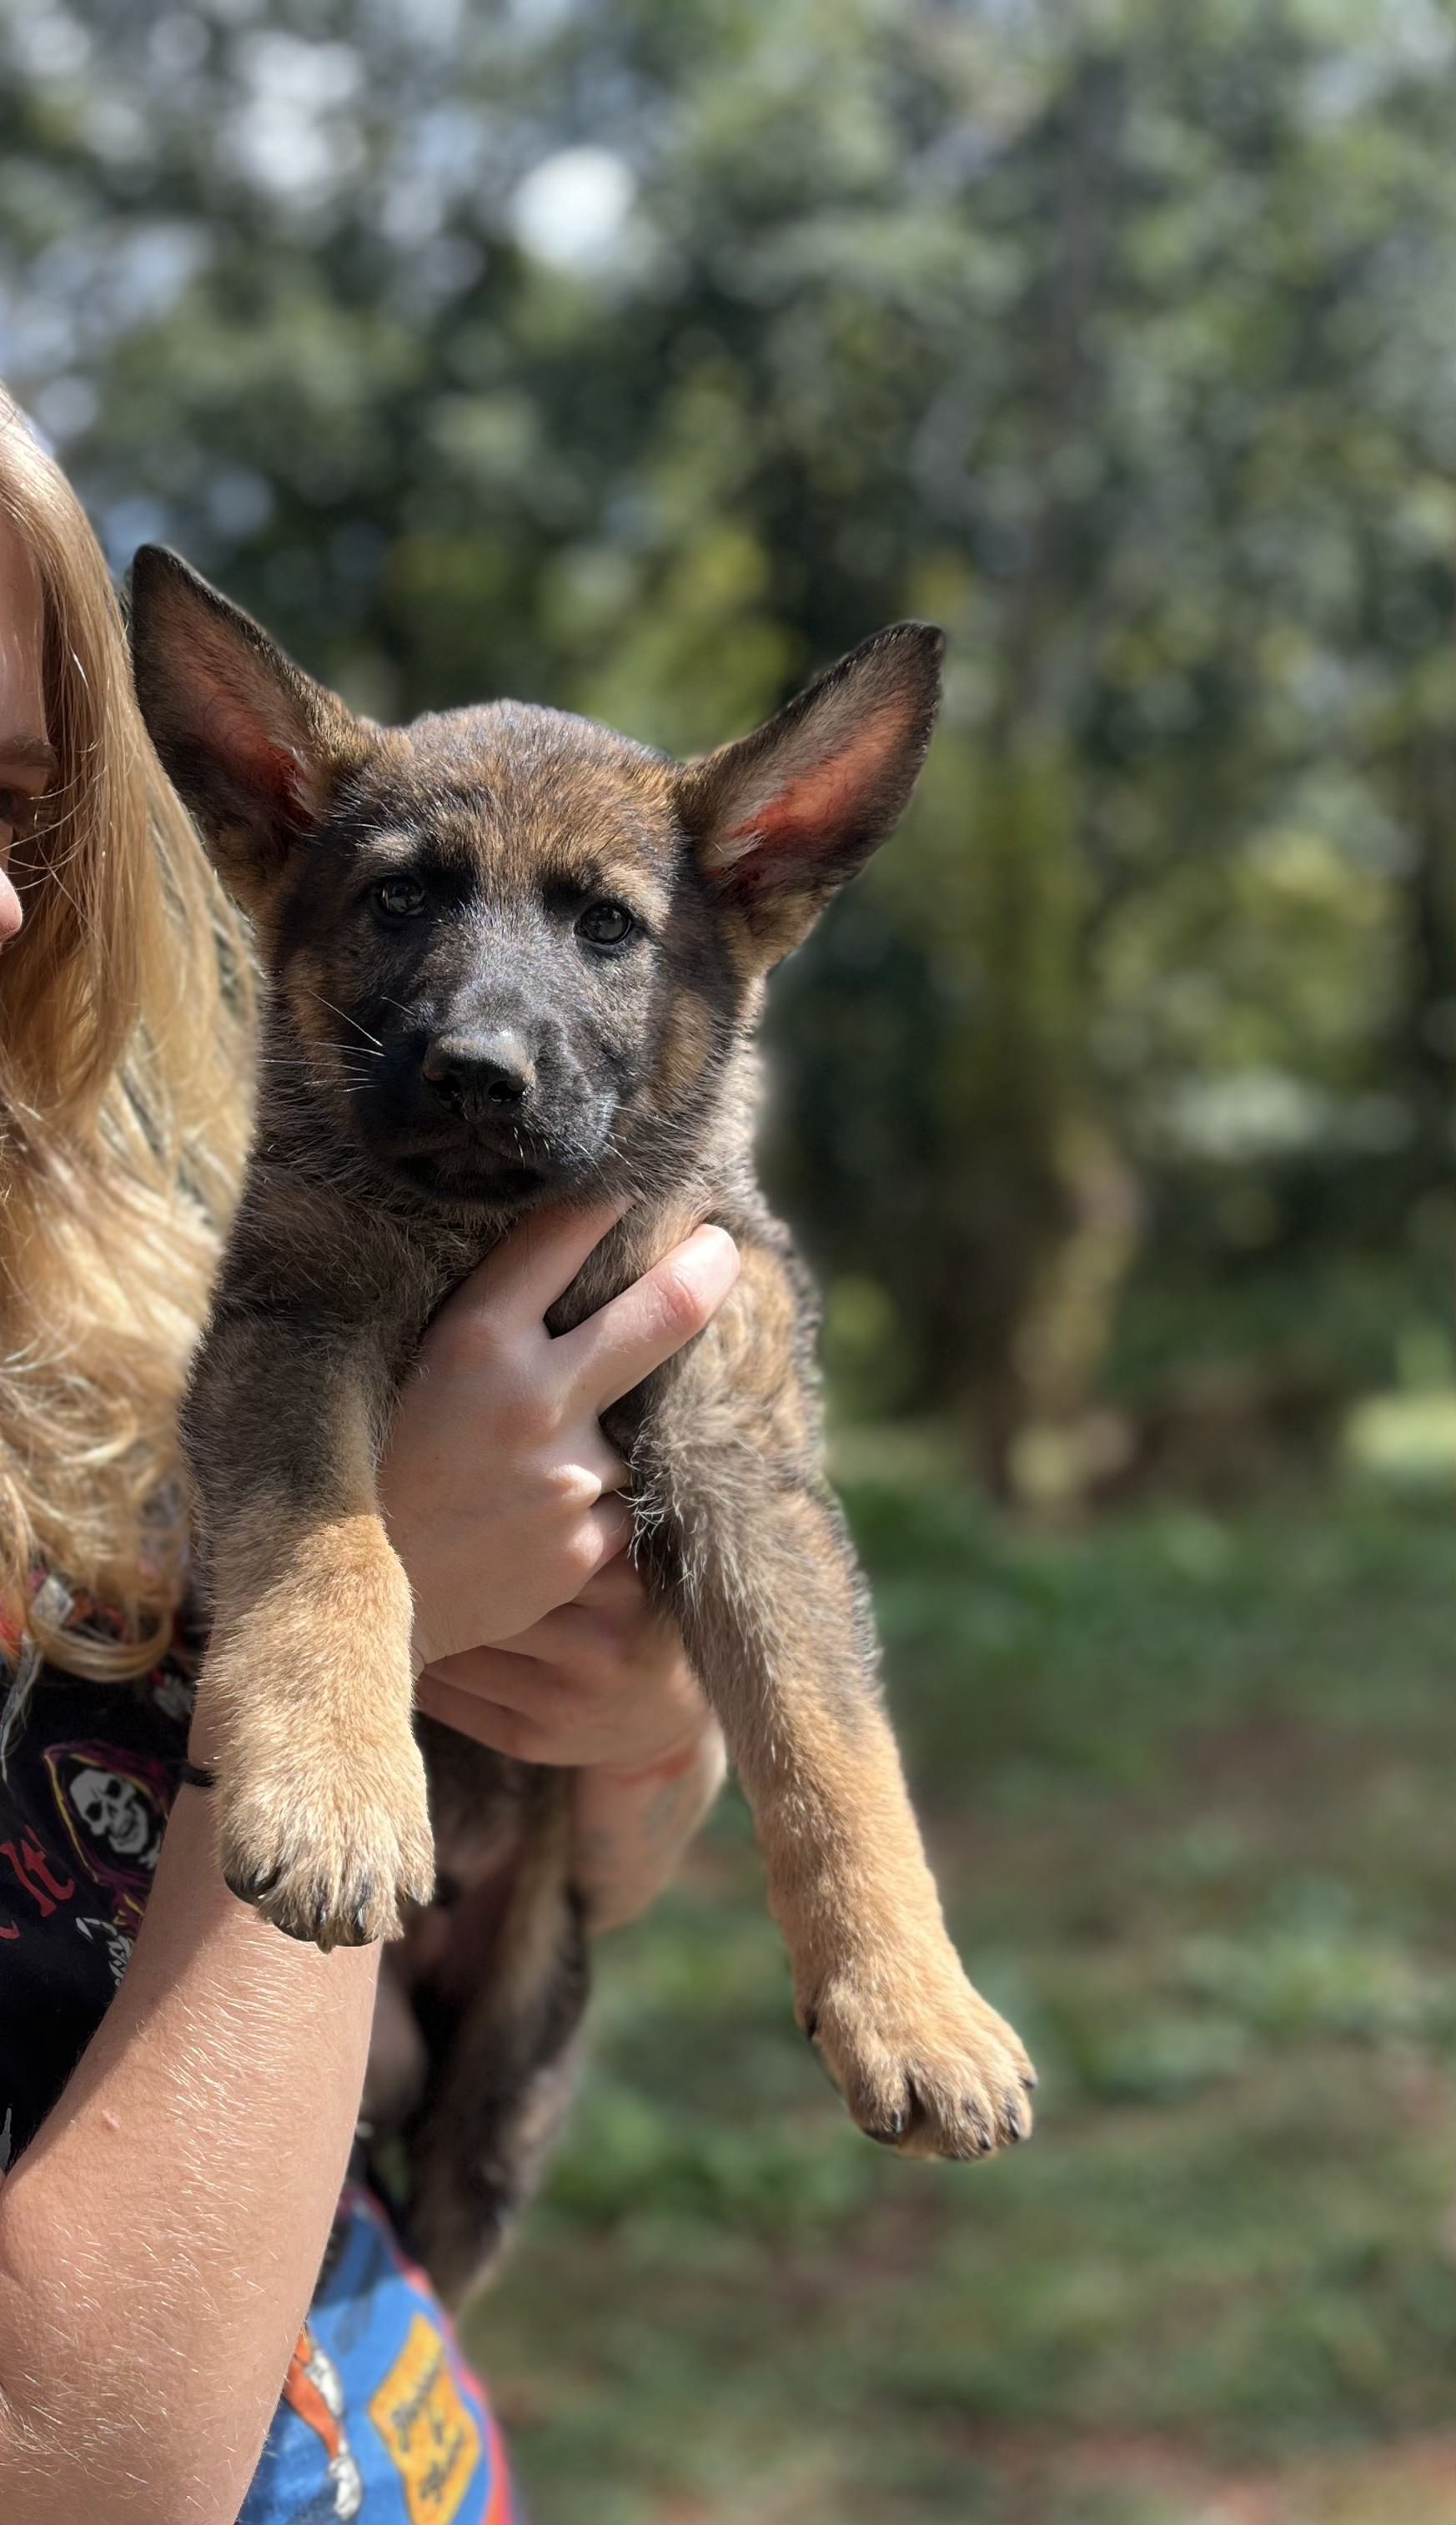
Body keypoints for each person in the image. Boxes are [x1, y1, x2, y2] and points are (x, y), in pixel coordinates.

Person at [0, 390, 739, 2525]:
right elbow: (87, 2473)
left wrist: (636, 1709)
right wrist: (343, 1624)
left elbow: (581, 1863)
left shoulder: (138, 1291)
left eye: (13, 796)